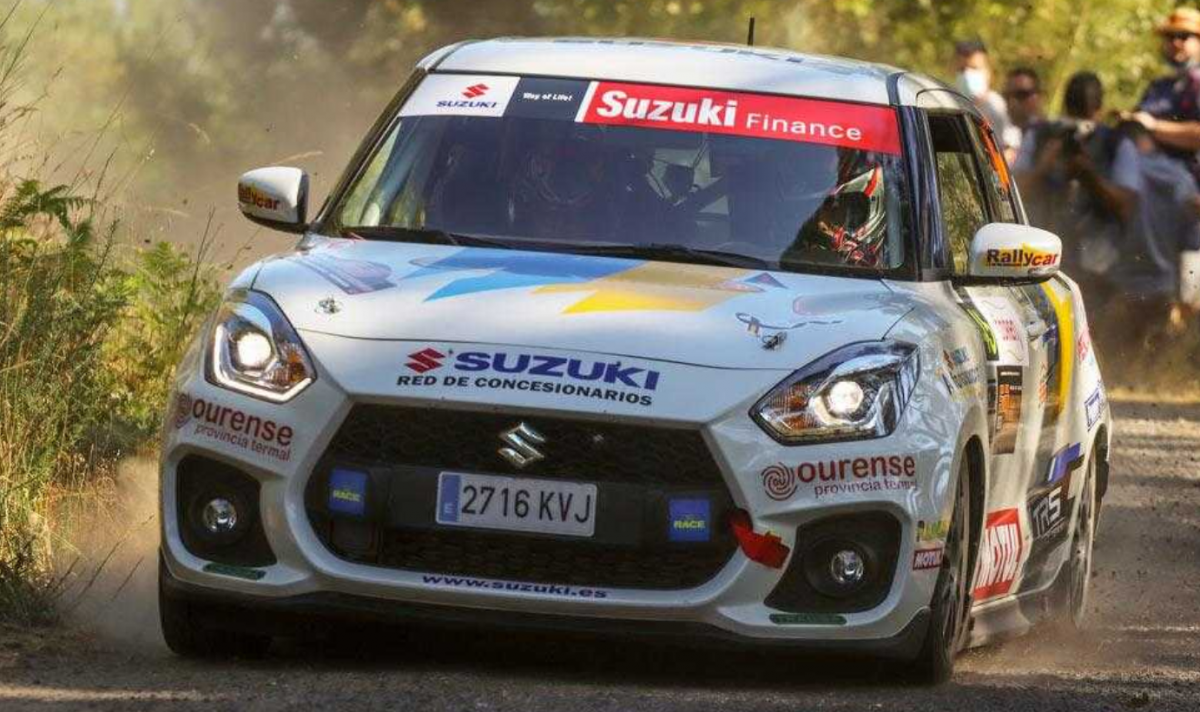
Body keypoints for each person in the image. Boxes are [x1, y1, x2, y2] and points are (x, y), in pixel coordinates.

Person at [1015, 72, 1139, 310]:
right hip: (1041, 262)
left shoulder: (1116, 143)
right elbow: (1013, 192)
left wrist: (1089, 176)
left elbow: (1127, 206)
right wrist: (1043, 167)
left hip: (1098, 267)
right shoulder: (1039, 135)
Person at [1126, 7, 1200, 183]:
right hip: (1146, 174)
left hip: (1186, 182)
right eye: (1170, 36)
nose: (1175, 42)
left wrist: (1153, 127)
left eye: (1183, 36)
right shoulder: (1158, 85)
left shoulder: (1197, 83)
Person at [954, 40, 1021, 162]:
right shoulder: (949, 105)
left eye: (974, 68)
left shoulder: (998, 106)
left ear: (988, 71)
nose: (967, 75)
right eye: (963, 69)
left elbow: (1012, 150)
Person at [1003, 67, 1045, 146]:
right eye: (1007, 96)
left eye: (1021, 94)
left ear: (1039, 97)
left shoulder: (1053, 139)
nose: (1013, 102)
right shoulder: (1003, 139)